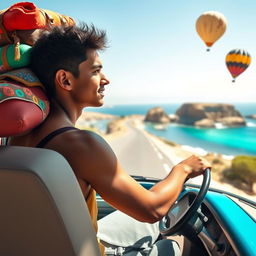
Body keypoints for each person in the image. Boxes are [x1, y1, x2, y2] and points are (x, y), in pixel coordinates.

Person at [9, 23, 211, 255]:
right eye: (95, 71)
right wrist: (183, 169)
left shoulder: (17, 136)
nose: (106, 80)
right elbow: (153, 209)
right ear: (65, 80)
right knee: (171, 245)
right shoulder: (81, 145)